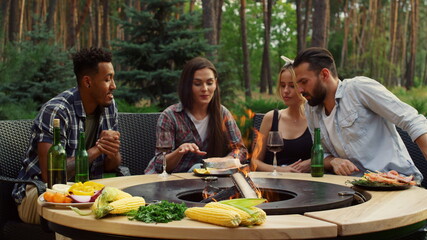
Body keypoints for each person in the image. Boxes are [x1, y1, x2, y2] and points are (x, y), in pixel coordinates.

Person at [12, 47, 121, 224]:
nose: (114, 86)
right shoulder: (56, 111)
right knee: (73, 218)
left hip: (86, 194)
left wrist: (111, 150)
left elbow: (112, 166)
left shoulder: (109, 106)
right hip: (41, 194)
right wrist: (96, 149)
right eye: (107, 79)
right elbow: (52, 177)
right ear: (87, 82)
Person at [293, 47, 427, 180]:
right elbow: (322, 154)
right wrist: (333, 161)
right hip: (351, 187)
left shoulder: (358, 89)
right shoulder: (311, 108)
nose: (299, 90)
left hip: (393, 182)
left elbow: (412, 120)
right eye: (298, 84)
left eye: (304, 82)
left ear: (325, 75)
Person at [144, 57, 248, 174]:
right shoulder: (170, 116)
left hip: (206, 181)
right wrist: (179, 152)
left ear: (216, 84)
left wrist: (224, 161)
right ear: (187, 85)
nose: (205, 89)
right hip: (170, 180)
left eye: (209, 83)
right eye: (197, 84)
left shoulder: (222, 113)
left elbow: (241, 150)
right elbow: (160, 164)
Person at [251, 57, 313, 173]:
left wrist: (311, 162)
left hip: (305, 186)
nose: (285, 91)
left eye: (291, 86)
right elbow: (254, 161)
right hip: (273, 185)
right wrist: (280, 170)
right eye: (282, 85)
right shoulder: (271, 118)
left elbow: (327, 155)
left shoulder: (314, 119)